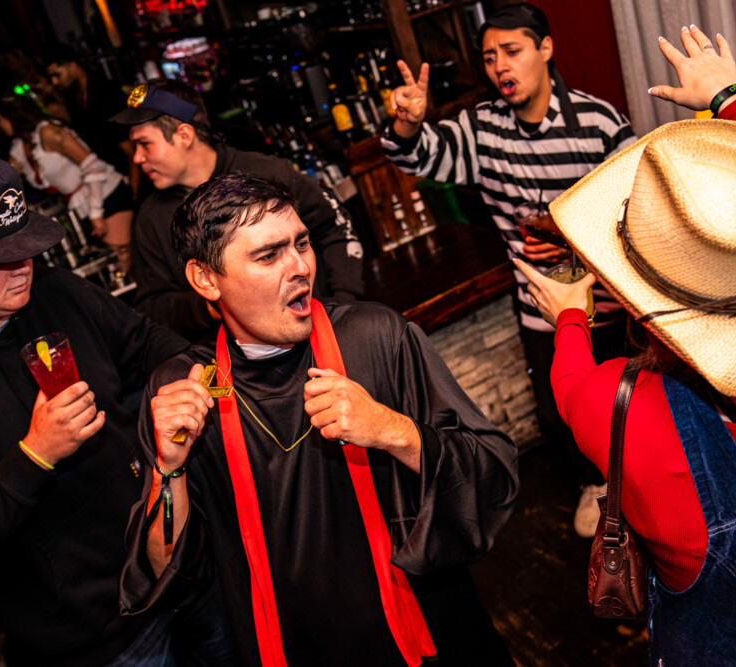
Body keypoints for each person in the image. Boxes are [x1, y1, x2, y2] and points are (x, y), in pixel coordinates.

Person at [516, 26, 736, 663]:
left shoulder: (616, 411)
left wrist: (572, 319)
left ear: (645, 312)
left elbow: (569, 385)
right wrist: (734, 100)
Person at [119, 173, 520, 666]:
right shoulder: (185, 388)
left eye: (302, 244)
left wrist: (392, 430)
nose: (300, 267)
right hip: (293, 650)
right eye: (268, 255)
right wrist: (170, 468)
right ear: (206, 279)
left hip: (430, 635)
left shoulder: (374, 336)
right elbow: (165, 571)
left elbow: (494, 479)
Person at [0, 156, 233, 666]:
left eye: (25, 245)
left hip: (186, 573)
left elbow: (150, 345)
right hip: (97, 638)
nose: (23, 264)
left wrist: (186, 385)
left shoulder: (56, 291)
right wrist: (35, 455)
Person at [382, 2, 635, 537]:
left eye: (512, 52)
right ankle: (598, 487)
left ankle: (641, 486)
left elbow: (639, 211)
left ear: (545, 49)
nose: (500, 66)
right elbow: (421, 156)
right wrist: (408, 123)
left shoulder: (599, 121)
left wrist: (577, 240)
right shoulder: (481, 129)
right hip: (541, 310)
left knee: (628, 407)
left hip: (612, 305)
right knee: (559, 413)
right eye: (490, 56)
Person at [110, 79, 364, 341]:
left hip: (320, 336)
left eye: (145, 144)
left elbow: (334, 228)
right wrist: (213, 304)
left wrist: (341, 311)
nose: (137, 157)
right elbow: (153, 308)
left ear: (184, 136)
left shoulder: (267, 173)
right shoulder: (150, 219)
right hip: (235, 366)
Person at [0, 94, 135, 272]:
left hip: (108, 194)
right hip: (85, 204)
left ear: (12, 116)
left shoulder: (48, 132)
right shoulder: (20, 145)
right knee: (112, 263)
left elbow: (94, 166)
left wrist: (96, 213)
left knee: (122, 260)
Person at [44, 45, 141, 198]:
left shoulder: (104, 93)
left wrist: (134, 190)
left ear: (73, 66)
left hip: (134, 176)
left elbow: (130, 147)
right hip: (112, 179)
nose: (54, 82)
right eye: (51, 78)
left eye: (57, 75)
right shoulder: (73, 97)